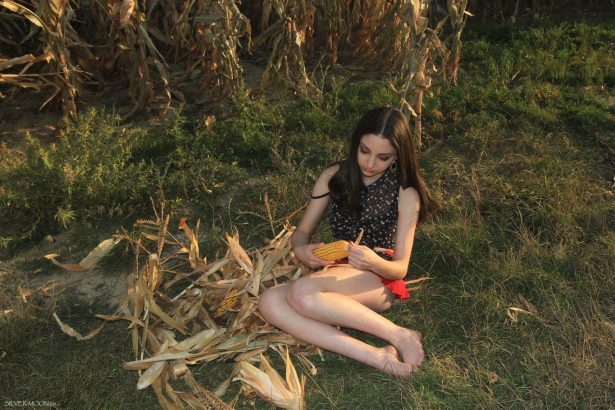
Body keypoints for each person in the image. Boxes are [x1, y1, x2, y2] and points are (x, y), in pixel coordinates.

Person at [258, 107, 439, 377]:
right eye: (364, 151)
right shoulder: (334, 176)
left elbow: (400, 269)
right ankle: (376, 356)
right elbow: (302, 232)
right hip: (337, 269)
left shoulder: (405, 192)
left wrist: (374, 262)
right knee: (269, 301)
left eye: (383, 157)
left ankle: (400, 334)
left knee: (300, 294)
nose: (370, 163)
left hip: (378, 278)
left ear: (397, 156)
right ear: (356, 143)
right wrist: (301, 250)